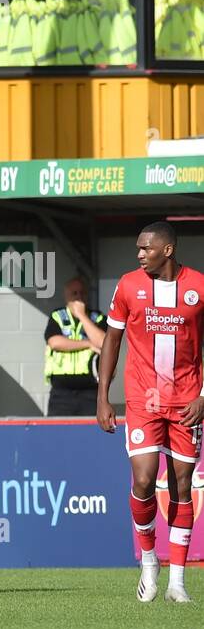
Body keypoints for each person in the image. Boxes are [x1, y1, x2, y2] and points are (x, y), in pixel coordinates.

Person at [97, 221, 204, 604]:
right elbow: (112, 340)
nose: (139, 254)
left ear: (168, 250)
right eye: (138, 248)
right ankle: (148, 561)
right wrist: (103, 396)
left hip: (187, 401)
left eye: (146, 248)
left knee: (181, 484)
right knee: (143, 480)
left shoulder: (198, 287)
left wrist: (203, 396)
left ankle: (177, 580)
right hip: (143, 400)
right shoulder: (128, 286)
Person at [45, 277, 107, 416]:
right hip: (61, 394)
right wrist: (88, 344)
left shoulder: (98, 318)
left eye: (82, 293)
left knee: (91, 435)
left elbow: (103, 343)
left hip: (90, 392)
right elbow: (55, 342)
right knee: (57, 435)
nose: (79, 297)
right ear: (66, 296)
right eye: (74, 293)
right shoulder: (57, 316)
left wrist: (82, 315)